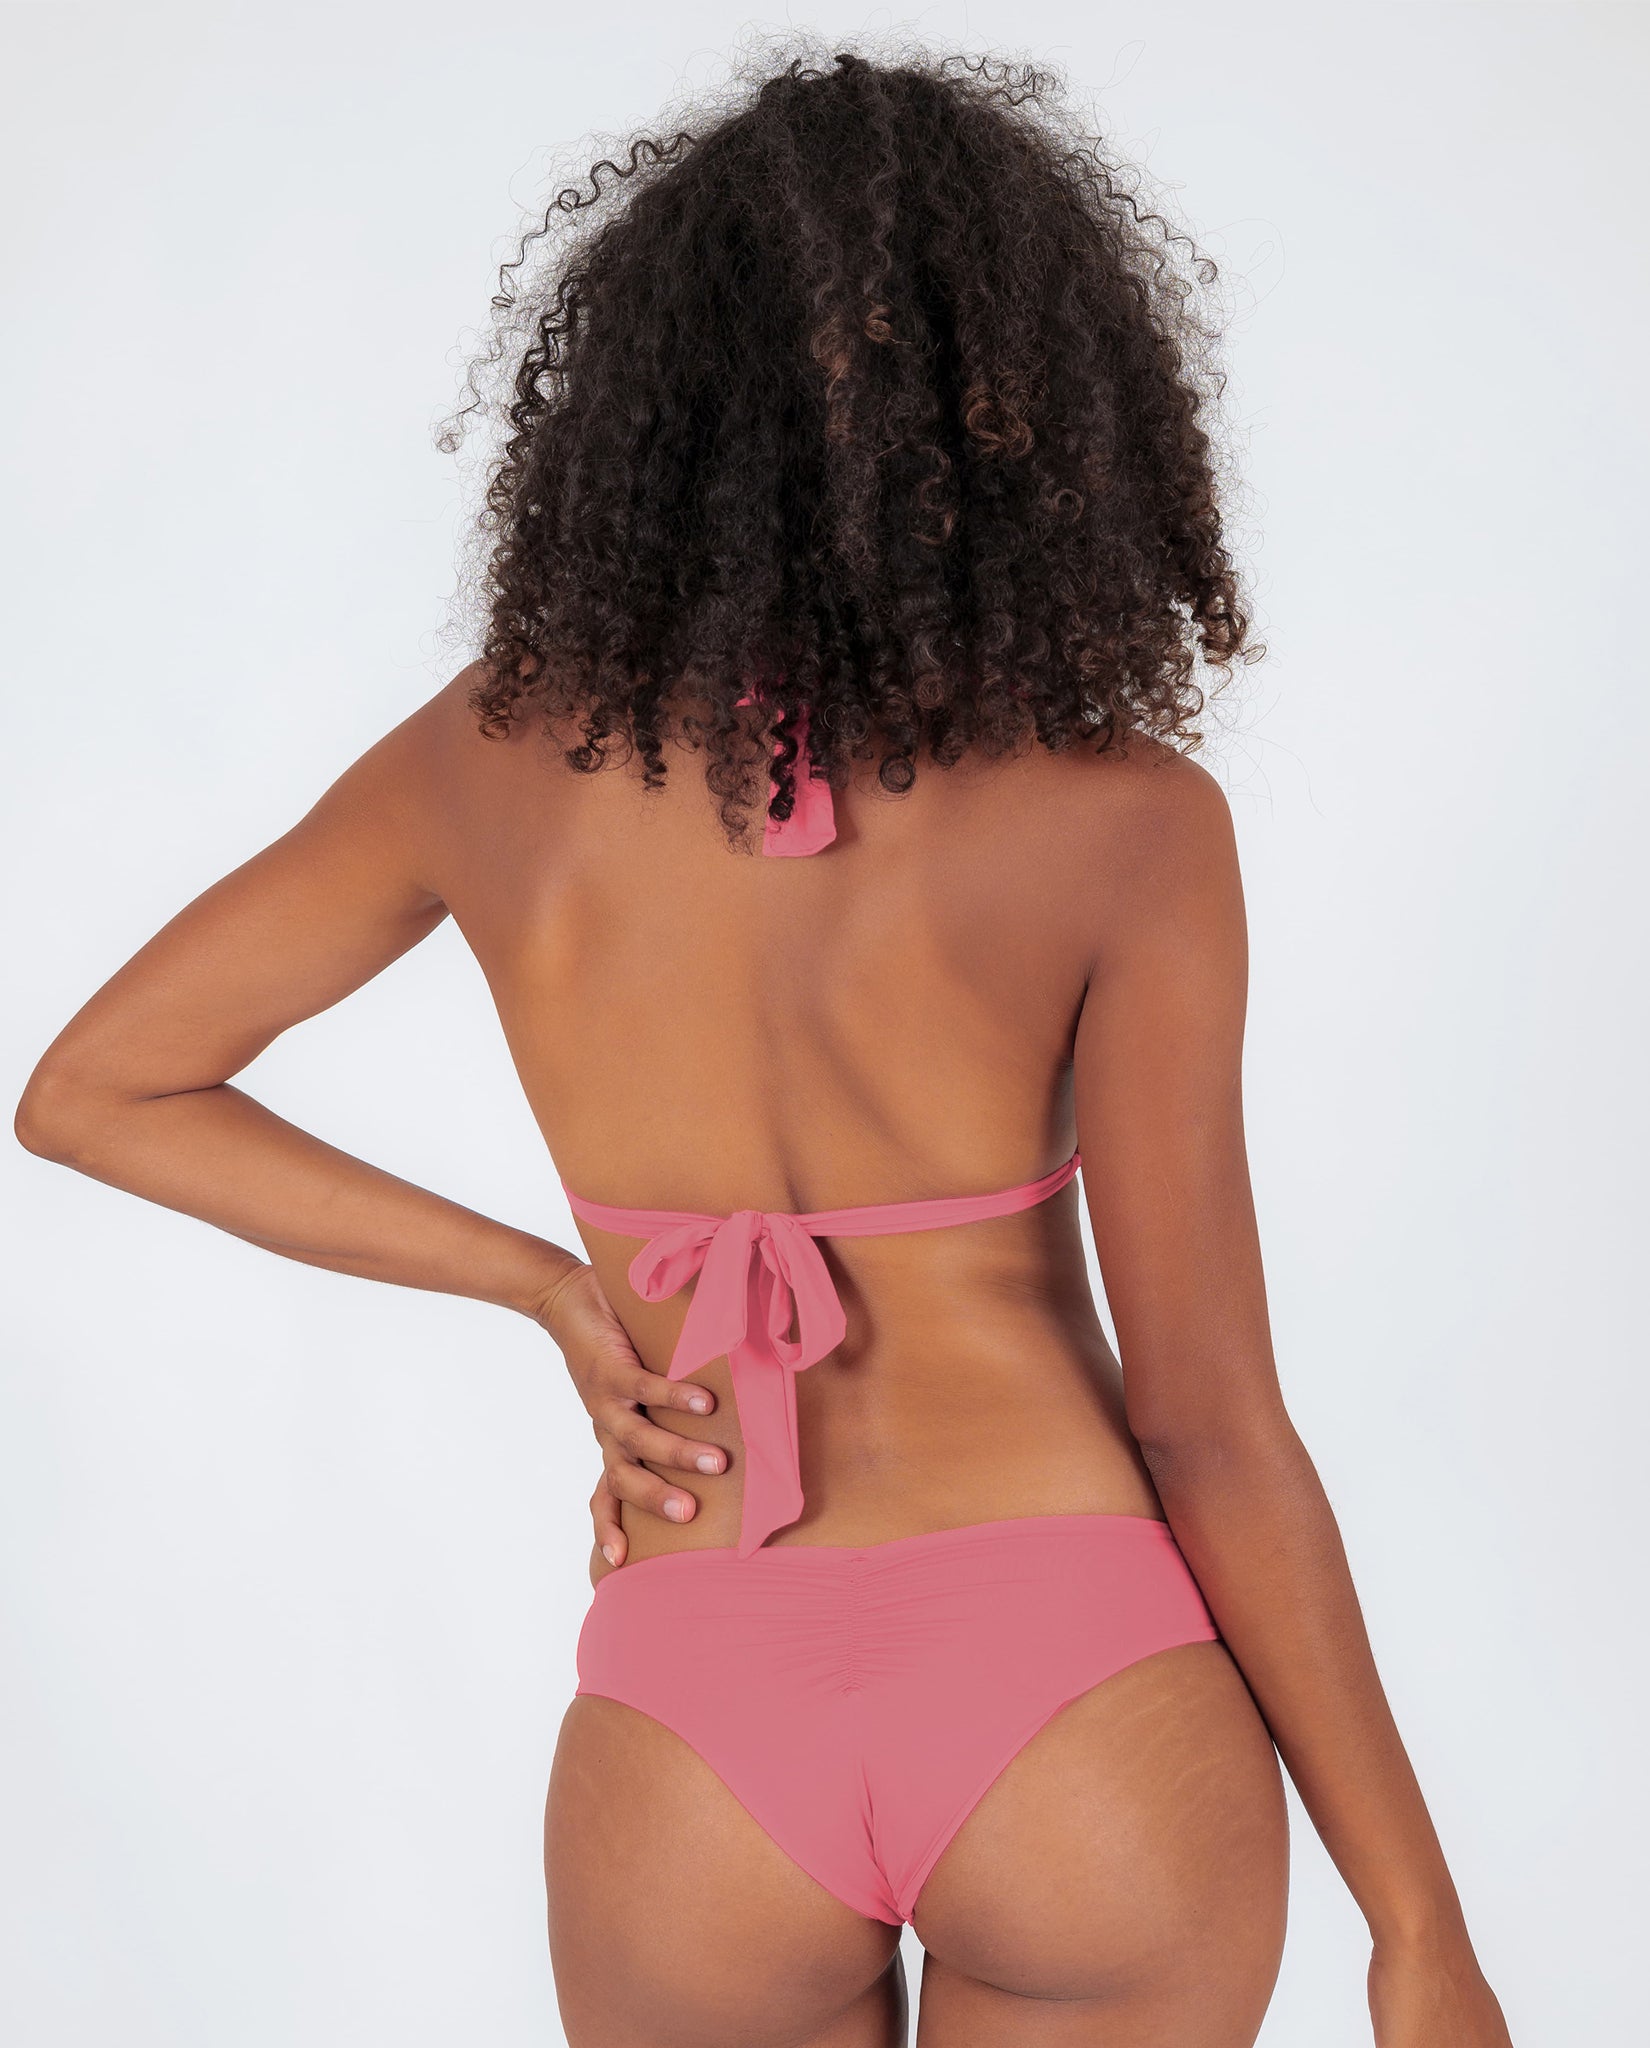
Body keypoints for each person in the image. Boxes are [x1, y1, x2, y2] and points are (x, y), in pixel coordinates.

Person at [14, 44, 1513, 2048]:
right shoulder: (1129, 824)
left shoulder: (489, 760)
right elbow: (1210, 1425)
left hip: (691, 1715)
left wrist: (554, 1288)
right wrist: (1418, 1928)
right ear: (1035, 416)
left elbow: (95, 1087)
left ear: (650, 409)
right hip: (1075, 1693)